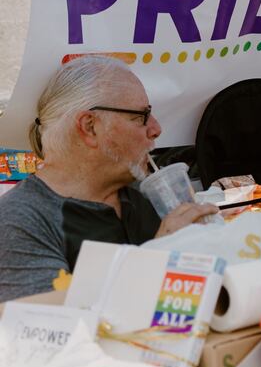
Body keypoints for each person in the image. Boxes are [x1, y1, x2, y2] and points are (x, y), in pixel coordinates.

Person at [0, 56, 218, 302]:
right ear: (90, 126)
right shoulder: (20, 220)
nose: (156, 129)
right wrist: (159, 255)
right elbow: (42, 329)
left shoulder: (145, 192)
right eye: (141, 116)